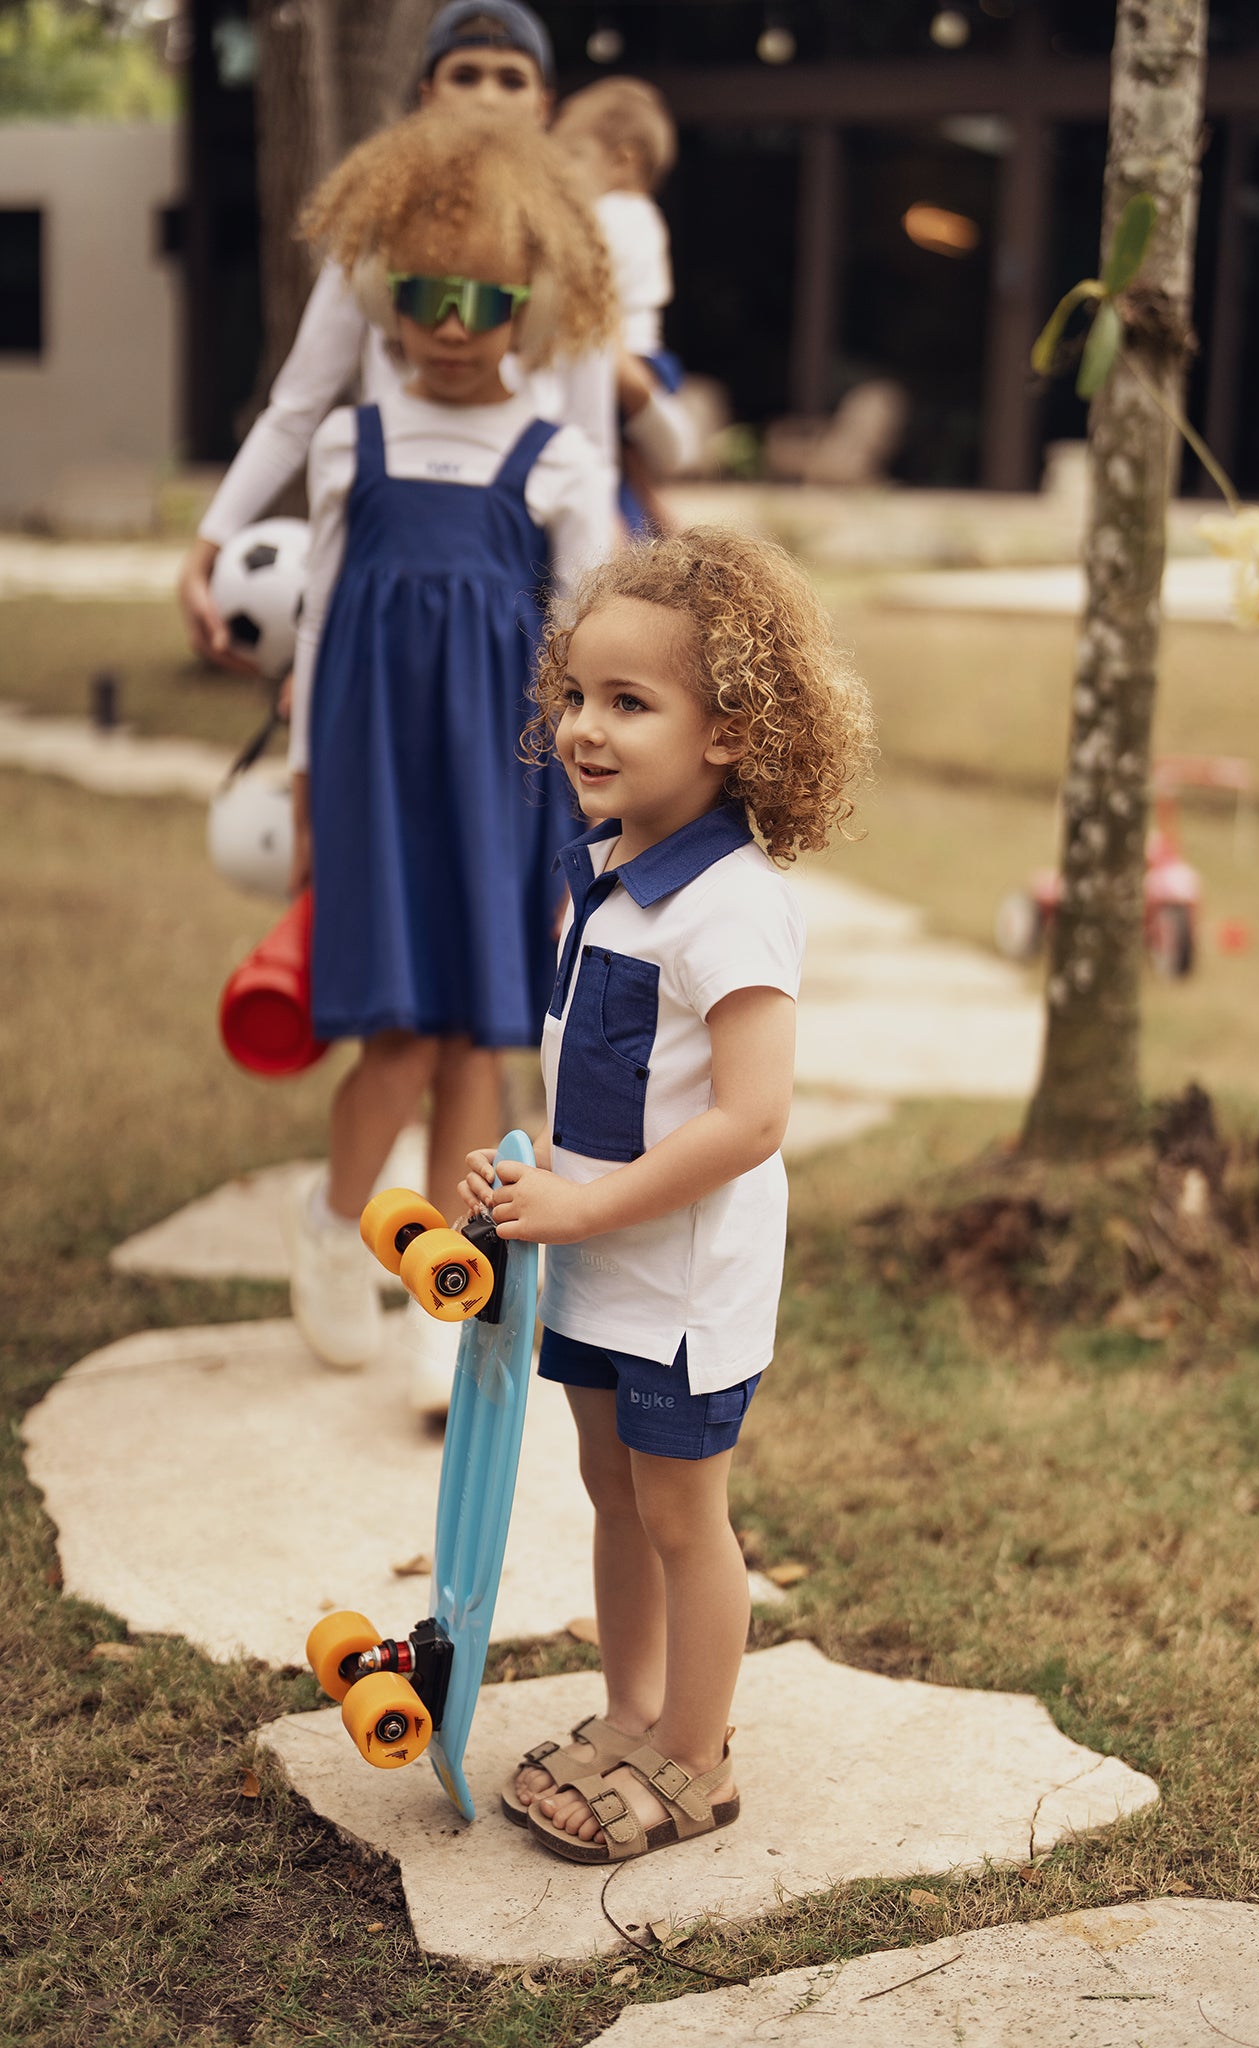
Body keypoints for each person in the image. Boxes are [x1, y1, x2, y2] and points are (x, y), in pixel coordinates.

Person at [460, 527, 875, 1863]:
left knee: (685, 1518)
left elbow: (751, 1118)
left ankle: (697, 1760)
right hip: (595, 1255)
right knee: (611, 1493)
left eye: (629, 704)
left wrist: (590, 1208)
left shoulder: (732, 910)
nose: (584, 729)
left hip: (681, 1282)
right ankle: (630, 1715)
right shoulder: (603, 878)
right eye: (577, 696)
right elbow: (612, 1080)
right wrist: (536, 1178)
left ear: (733, 732)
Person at [283, 108, 617, 1409]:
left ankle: (442, 1286)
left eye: (484, 296)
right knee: (400, 1037)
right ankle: (333, 1223)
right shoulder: (345, 447)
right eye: (423, 291)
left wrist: (586, 829)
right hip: (373, 779)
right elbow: (314, 632)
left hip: (503, 786)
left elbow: (588, 665)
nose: (451, 321)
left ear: (529, 302)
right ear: (384, 289)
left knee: (478, 1037)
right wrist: (309, 785)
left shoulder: (558, 465)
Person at [178, 0, 614, 667]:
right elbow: (296, 408)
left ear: (544, 104)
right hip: (395, 542)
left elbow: (592, 446)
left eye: (510, 78)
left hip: (516, 560)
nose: (486, 97)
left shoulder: (567, 247)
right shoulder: (377, 233)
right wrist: (210, 544)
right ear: (426, 94)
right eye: (465, 74)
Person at [554, 76, 694, 534]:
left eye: (574, 155)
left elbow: (579, 286)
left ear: (624, 159)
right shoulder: (642, 217)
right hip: (636, 359)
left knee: (603, 479)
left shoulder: (614, 215)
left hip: (625, 360)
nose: (563, 172)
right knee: (625, 475)